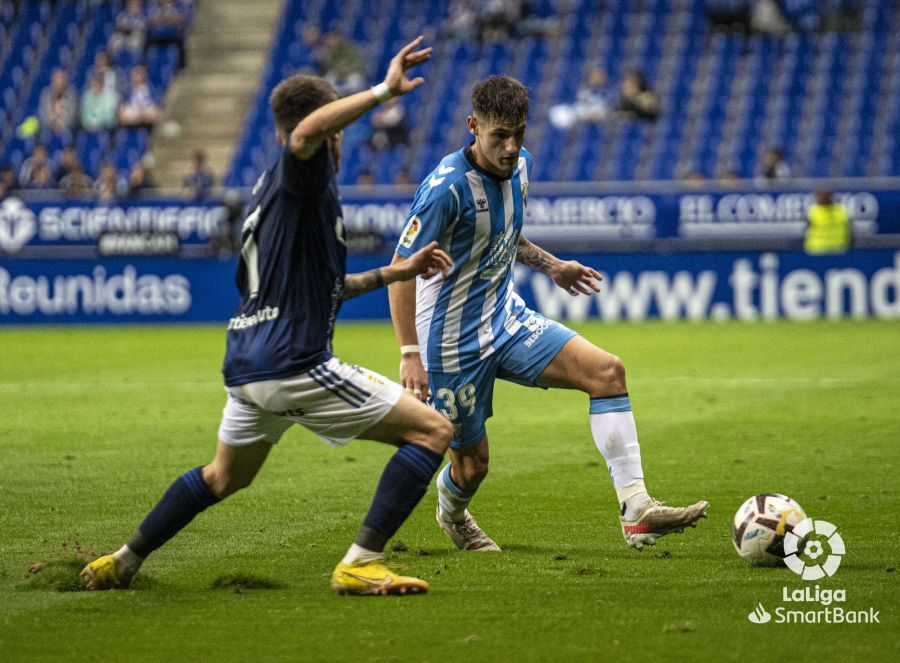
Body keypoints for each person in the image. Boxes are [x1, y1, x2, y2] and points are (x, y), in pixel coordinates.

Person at [81, 37, 457, 597]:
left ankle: (124, 560)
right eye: (338, 131)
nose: (340, 142)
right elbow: (305, 134)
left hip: (247, 367)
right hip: (293, 363)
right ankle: (362, 561)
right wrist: (382, 90)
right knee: (433, 431)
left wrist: (393, 275)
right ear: (326, 129)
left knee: (222, 476)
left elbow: (325, 287)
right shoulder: (302, 172)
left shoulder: (269, 194)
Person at [388, 76, 708, 553]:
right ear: (473, 127)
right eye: (499, 136)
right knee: (473, 467)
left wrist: (552, 265)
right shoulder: (445, 190)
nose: (511, 146)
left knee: (607, 371)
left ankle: (636, 508)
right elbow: (400, 269)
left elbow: (504, 233)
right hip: (451, 344)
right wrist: (410, 353)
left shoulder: (522, 168)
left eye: (519, 133)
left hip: (507, 319)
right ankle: (453, 514)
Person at [805, 189, 851, 254]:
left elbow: (849, 231)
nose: (821, 197)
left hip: (838, 250)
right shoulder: (812, 211)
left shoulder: (842, 210)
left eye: (824, 195)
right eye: (819, 195)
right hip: (816, 251)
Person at [39, 68, 78, 134]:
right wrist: (53, 117)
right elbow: (43, 116)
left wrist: (61, 125)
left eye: (62, 80)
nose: (59, 83)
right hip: (49, 128)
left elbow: (72, 116)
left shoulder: (71, 93)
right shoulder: (46, 94)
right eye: (56, 80)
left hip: (66, 129)